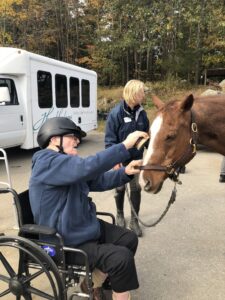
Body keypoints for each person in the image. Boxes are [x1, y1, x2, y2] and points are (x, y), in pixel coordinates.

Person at [29, 116, 149, 300]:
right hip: (64, 239)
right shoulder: (47, 161)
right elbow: (87, 167)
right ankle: (100, 285)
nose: (77, 141)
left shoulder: (66, 164)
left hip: (82, 227)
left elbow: (98, 180)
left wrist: (125, 172)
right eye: (72, 136)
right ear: (53, 139)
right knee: (121, 259)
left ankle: (93, 282)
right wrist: (124, 145)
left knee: (129, 238)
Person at [105, 79, 150, 237]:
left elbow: (147, 136)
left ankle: (134, 221)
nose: (143, 94)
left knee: (136, 188)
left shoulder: (142, 113)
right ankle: (119, 214)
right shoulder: (116, 113)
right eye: (141, 91)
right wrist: (114, 160)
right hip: (120, 159)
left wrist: (151, 153)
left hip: (136, 159)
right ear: (134, 93)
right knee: (120, 187)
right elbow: (110, 140)